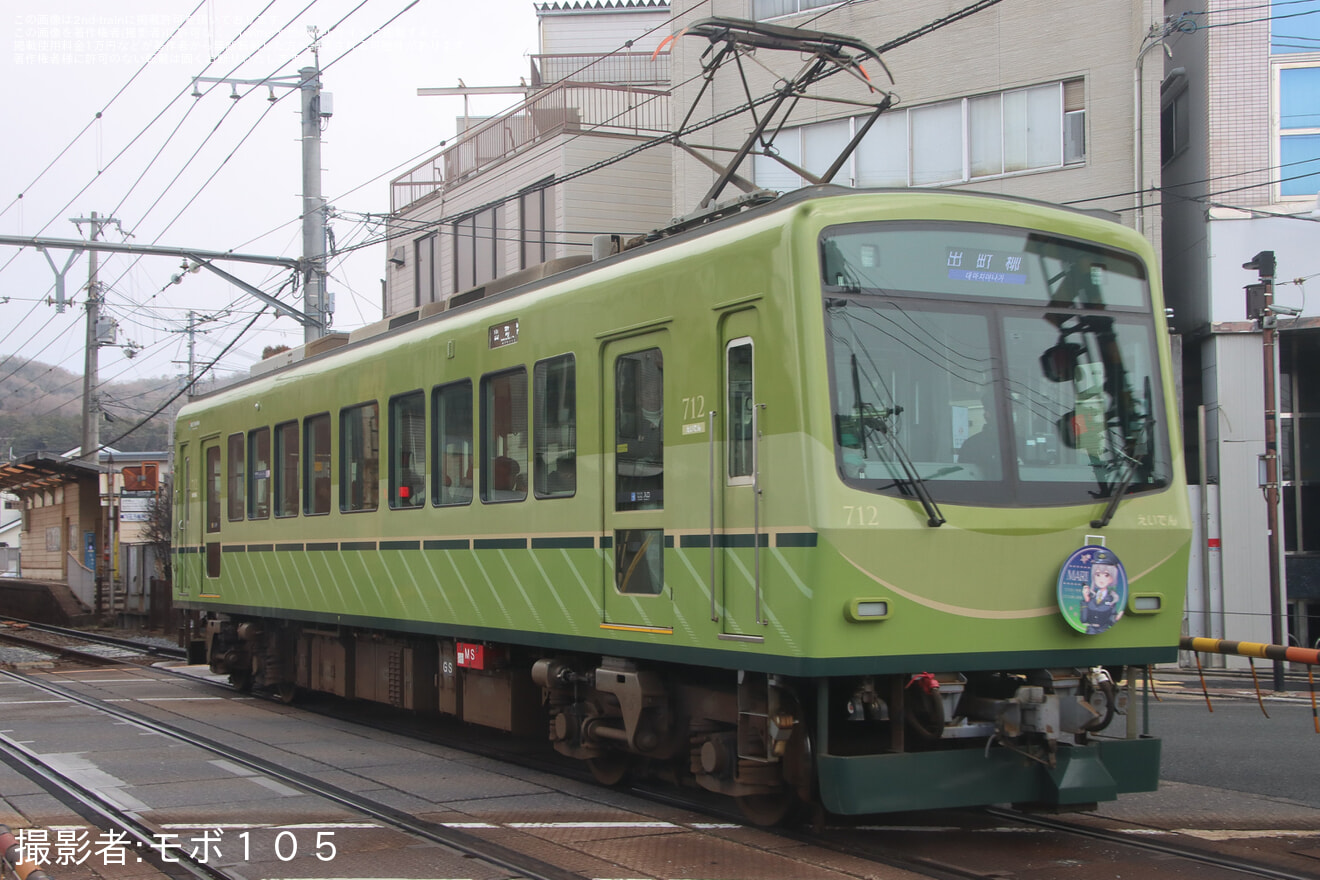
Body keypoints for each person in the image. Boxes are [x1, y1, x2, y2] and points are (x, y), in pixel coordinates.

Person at [1082, 561, 1120, 634]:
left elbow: (1111, 621)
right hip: (1090, 631)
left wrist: (1116, 618)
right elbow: (1083, 619)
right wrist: (1086, 599)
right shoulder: (1091, 597)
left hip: (1104, 632)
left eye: (1106, 575)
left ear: (1112, 579)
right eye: (1097, 574)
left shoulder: (1112, 598)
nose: (1101, 579)